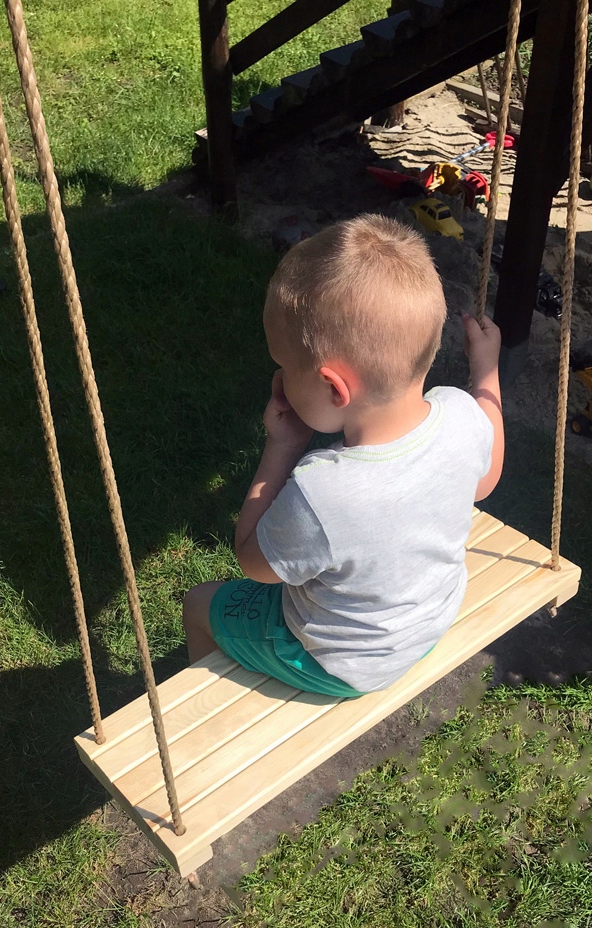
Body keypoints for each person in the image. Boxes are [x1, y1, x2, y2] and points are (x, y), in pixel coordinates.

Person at [183, 213, 504, 697]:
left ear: (334, 389)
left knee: (199, 604)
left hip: (339, 662)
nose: (280, 378)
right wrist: (485, 370)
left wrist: (282, 445)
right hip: (428, 624)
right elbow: (486, 481)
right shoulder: (461, 414)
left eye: (285, 367)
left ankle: (205, 715)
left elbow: (252, 563)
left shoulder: (321, 492)